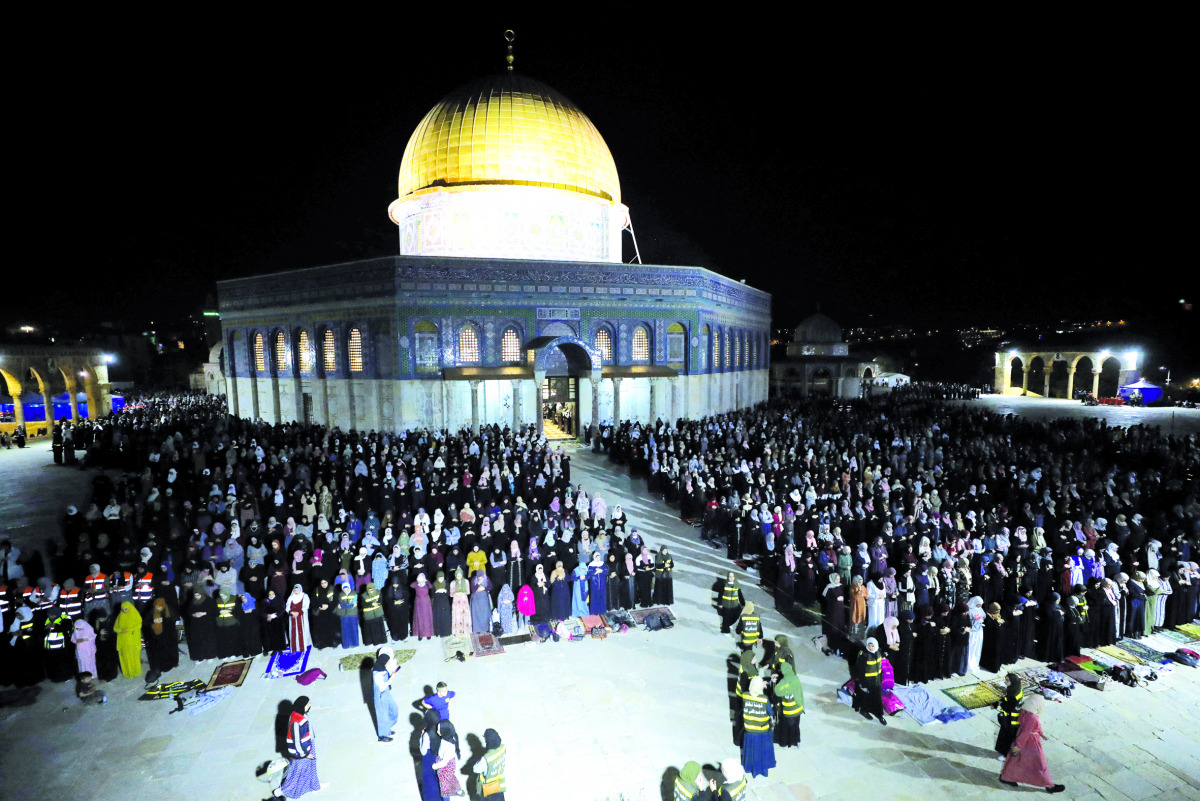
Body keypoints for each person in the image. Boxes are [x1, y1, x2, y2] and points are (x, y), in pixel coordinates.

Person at [999, 694, 1065, 793]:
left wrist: (1041, 734)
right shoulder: (1033, 717)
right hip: (1030, 742)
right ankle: (1049, 785)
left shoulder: (1023, 712)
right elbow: (1027, 732)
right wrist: (1018, 745)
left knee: (1014, 759)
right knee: (1040, 763)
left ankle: (1006, 777)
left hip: (1020, 738)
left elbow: (1027, 728)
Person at [274, 695, 328, 798]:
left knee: (310, 767)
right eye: (308, 704)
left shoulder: (300, 715)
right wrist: (305, 754)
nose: (309, 705)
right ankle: (283, 790)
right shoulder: (297, 721)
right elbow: (297, 742)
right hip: (301, 752)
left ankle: (314, 785)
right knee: (298, 772)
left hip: (308, 745)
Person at [739, 676, 775, 778]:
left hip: (749, 729)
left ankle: (749, 767)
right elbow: (770, 712)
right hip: (762, 731)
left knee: (751, 751)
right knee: (761, 751)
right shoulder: (764, 699)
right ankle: (762, 770)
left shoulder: (745, 696)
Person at [853, 637, 886, 725]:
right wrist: (863, 684)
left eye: (872, 645)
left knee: (877, 699)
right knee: (866, 698)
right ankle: (864, 711)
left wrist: (881, 678)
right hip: (867, 681)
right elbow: (860, 671)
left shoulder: (878, 652)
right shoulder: (864, 655)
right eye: (869, 645)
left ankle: (879, 715)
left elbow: (880, 666)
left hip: (876, 680)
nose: (870, 647)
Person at [773, 662, 804, 747]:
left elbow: (777, 691)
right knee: (796, 726)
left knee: (786, 727)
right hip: (798, 709)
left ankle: (784, 743)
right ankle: (796, 741)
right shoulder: (796, 679)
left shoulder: (783, 682)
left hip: (788, 711)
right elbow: (801, 693)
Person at [372, 647, 400, 742]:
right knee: (382, 715)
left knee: (394, 709)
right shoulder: (377, 674)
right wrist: (391, 678)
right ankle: (382, 735)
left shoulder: (382, 668)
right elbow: (382, 687)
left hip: (386, 694)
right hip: (381, 696)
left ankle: (387, 728)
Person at [432, 719, 464, 797]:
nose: (437, 731)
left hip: (445, 764)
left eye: (439, 730)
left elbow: (444, 762)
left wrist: (435, 766)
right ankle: (459, 790)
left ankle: (446, 795)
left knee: (444, 782)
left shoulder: (448, 745)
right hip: (448, 761)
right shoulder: (451, 736)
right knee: (451, 777)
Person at [995, 672, 1023, 760]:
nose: (1005, 682)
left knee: (1007, 737)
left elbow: (1008, 706)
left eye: (1007, 680)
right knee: (1007, 736)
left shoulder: (1012, 694)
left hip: (1010, 720)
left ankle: (1005, 754)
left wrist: (1001, 703)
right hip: (1014, 717)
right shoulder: (1017, 689)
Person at [472, 728, 507, 800]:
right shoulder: (503, 747)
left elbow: (476, 769)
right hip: (499, 784)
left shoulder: (485, 759)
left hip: (488, 788)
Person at [419, 710, 444, 801]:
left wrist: (421, 737)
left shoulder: (427, 734)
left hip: (429, 757)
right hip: (440, 756)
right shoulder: (441, 729)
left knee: (429, 780)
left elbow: (423, 751)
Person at [113, 601, 143, 679]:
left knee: (134, 656)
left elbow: (139, 625)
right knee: (125, 657)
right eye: (123, 609)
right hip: (124, 642)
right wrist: (120, 630)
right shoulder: (120, 616)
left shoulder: (135, 614)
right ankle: (127, 671)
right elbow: (115, 628)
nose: (124, 611)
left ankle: (135, 671)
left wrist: (129, 629)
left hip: (133, 641)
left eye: (126, 609)